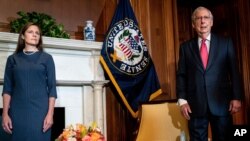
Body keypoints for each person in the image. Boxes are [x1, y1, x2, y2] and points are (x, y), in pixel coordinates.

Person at [176, 6, 243, 141]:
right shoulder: (185, 48)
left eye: (206, 18)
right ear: (193, 24)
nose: (202, 21)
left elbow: (234, 71)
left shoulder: (226, 43)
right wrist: (182, 101)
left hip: (221, 104)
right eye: (198, 18)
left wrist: (236, 97)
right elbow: (182, 75)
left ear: (211, 22)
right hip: (195, 106)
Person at [1, 22, 57, 141]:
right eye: (30, 32)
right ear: (22, 36)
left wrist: (50, 114)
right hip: (17, 111)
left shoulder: (47, 58)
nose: (35, 35)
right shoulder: (13, 59)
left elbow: (52, 88)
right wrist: (5, 114)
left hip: (41, 111)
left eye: (37, 33)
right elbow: (7, 88)